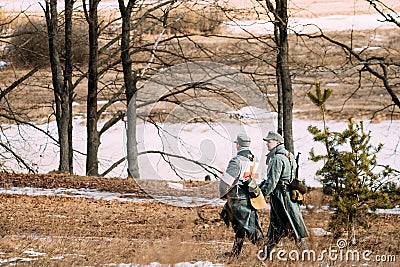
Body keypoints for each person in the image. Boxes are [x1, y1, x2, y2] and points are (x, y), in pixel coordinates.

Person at [259, 131, 309, 259]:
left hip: (281, 197)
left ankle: (307, 255)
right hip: (287, 196)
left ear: (277, 142)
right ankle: (264, 255)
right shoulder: (289, 155)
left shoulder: (277, 158)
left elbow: (272, 182)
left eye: (269, 141)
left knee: (291, 226)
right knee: (276, 228)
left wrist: (261, 195)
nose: (267, 144)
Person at [219, 133, 264, 261]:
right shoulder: (254, 159)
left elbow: (226, 182)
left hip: (237, 198)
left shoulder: (236, 160)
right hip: (249, 196)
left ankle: (266, 253)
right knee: (241, 227)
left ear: (238, 145)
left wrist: (223, 193)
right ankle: (234, 254)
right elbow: (256, 178)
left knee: (249, 228)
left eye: (236, 144)